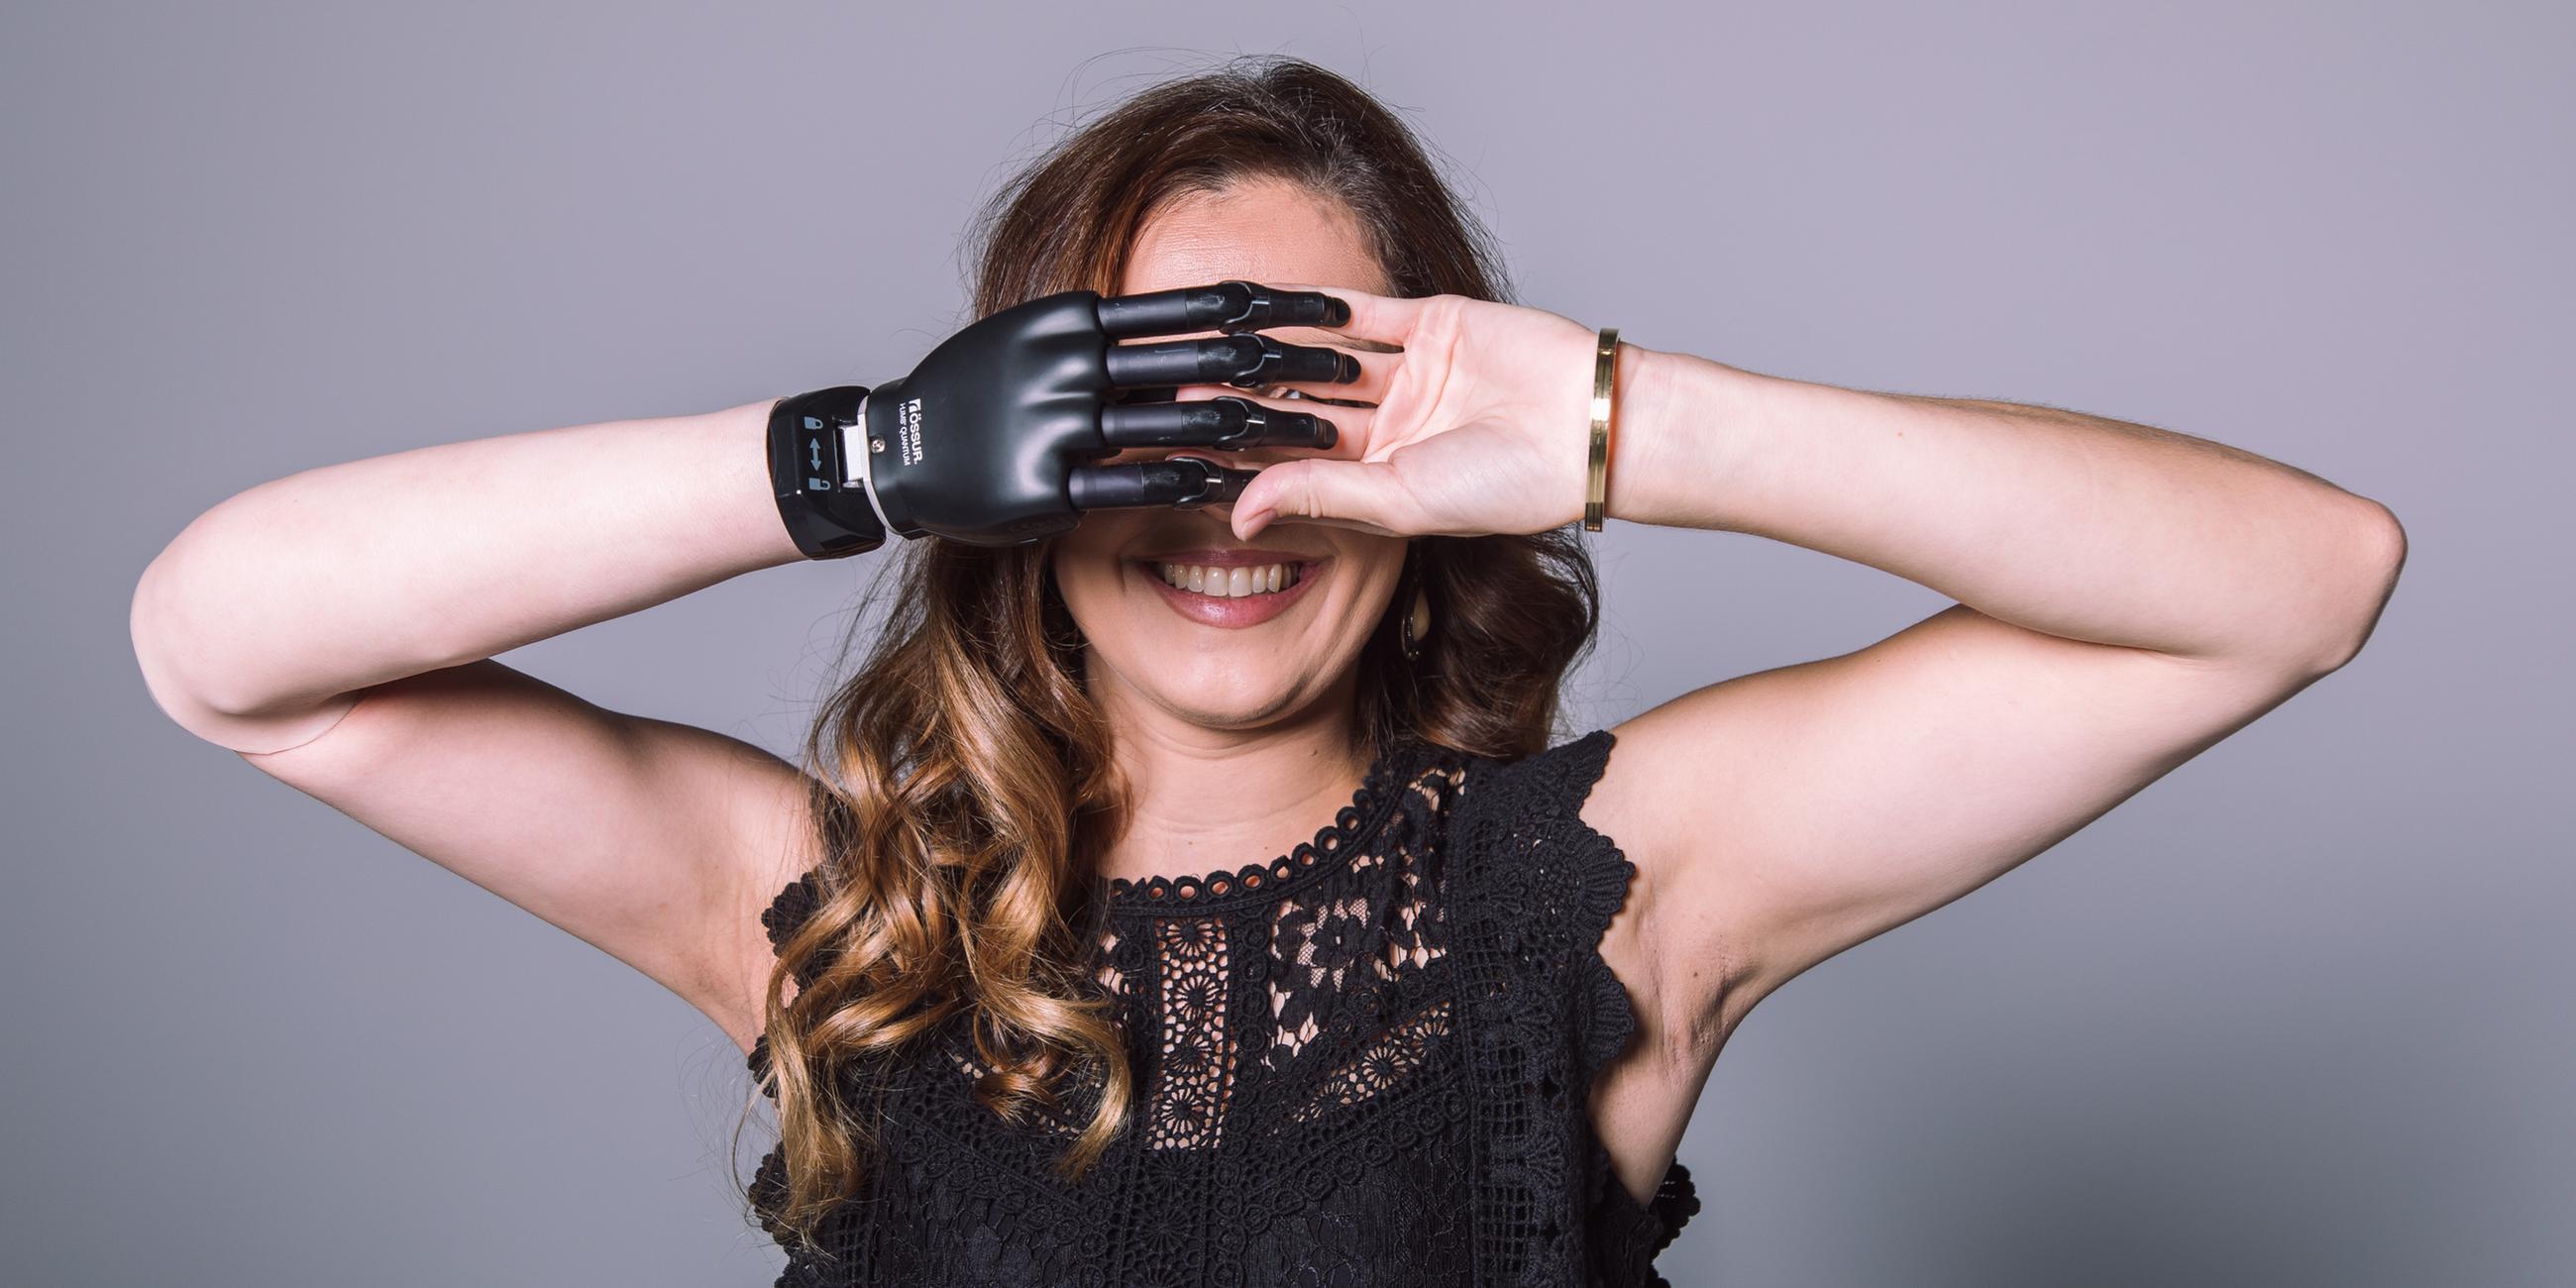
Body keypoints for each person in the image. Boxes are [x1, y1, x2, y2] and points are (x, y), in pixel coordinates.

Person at [126, 54, 2406, 1288]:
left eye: (1305, 419)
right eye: (1135, 421)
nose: (1233, 504)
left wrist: (1622, 423)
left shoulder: (1614, 887)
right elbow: (231, 648)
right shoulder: (841, 916)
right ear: (1016, 478)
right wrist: (864, 452)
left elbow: (2299, 578)